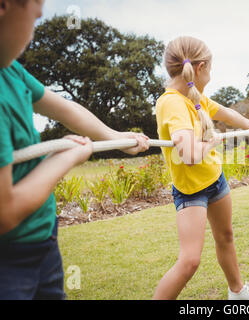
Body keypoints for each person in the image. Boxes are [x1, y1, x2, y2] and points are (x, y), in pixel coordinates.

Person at [0, 0, 149, 300]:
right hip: (9, 263)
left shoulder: (11, 71)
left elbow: (67, 110)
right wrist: (67, 157)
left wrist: (116, 138)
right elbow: (5, 212)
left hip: (44, 241)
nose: (32, 33)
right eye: (35, 17)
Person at [154, 36, 249, 300]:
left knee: (226, 236)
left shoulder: (194, 97)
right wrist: (212, 141)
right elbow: (190, 155)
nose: (211, 74)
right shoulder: (172, 102)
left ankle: (238, 291)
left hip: (215, 181)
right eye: (211, 68)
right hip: (191, 191)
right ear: (201, 67)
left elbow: (226, 113)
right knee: (189, 261)